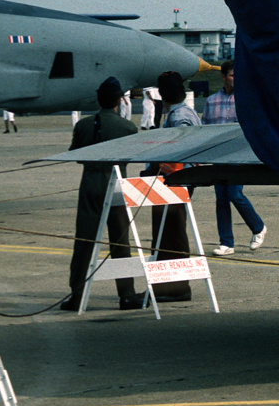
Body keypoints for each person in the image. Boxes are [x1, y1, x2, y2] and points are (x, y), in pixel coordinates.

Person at [61, 77, 145, 311]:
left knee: (85, 239)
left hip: (90, 183)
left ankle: (77, 295)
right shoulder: (127, 128)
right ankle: (126, 294)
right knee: (121, 241)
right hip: (117, 184)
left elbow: (76, 155)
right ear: (119, 100)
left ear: (98, 99)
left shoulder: (84, 125)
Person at [201, 61, 265, 255]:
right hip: (219, 157)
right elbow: (205, 128)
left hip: (238, 156)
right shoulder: (211, 101)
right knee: (221, 198)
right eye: (231, 75)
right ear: (223, 76)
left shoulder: (247, 99)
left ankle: (258, 227)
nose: (235, 79)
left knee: (234, 194)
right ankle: (226, 243)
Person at [149, 71, 198, 302]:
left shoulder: (179, 118)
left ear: (162, 93)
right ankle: (170, 286)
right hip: (179, 181)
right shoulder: (183, 113)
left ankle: (175, 287)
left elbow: (178, 154)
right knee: (170, 234)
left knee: (170, 235)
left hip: (174, 182)